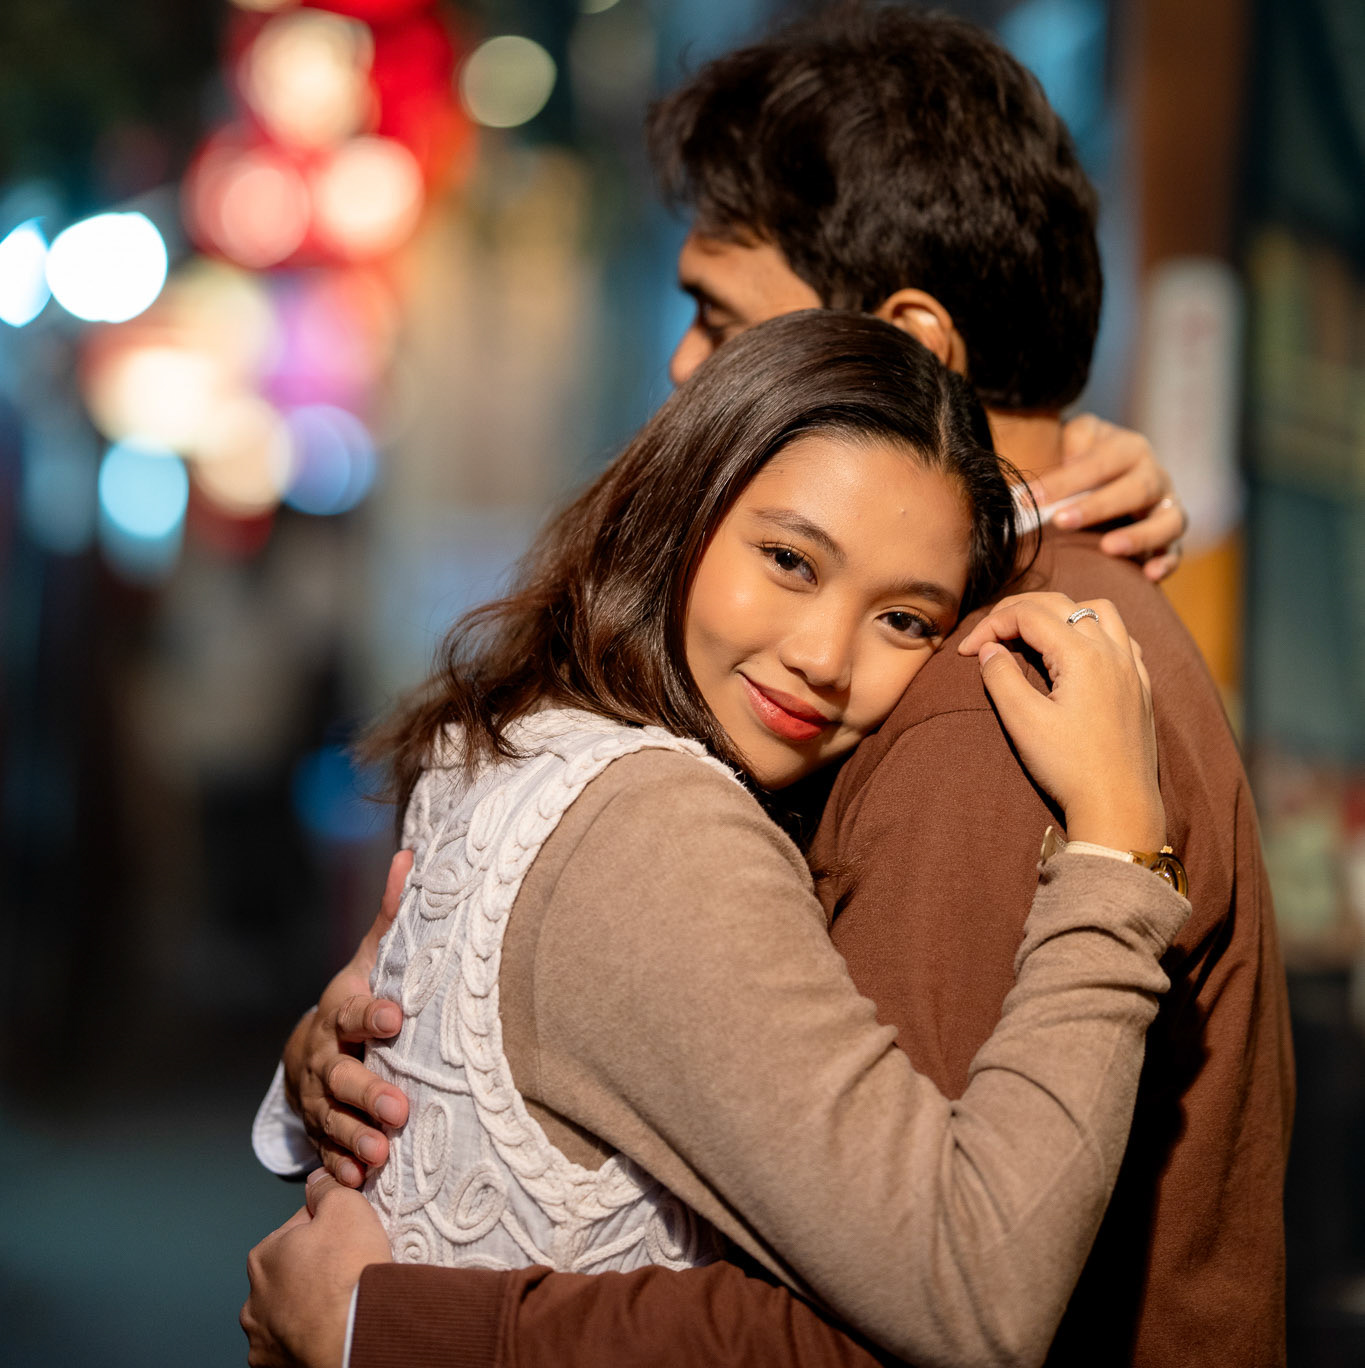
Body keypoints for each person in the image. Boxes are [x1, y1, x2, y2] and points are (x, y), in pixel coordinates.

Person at [246, 3, 1292, 1368]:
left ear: (912, 347)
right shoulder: (982, 627)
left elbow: (908, 1314)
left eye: (719, 315)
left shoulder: (991, 697)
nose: (687, 367)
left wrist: (395, 1328)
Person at [245, 310, 1189, 1368]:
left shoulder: (512, 736)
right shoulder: (663, 827)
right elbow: (976, 1286)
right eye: (790, 559)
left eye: (907, 619)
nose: (825, 655)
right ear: (684, 509)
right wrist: (1117, 851)